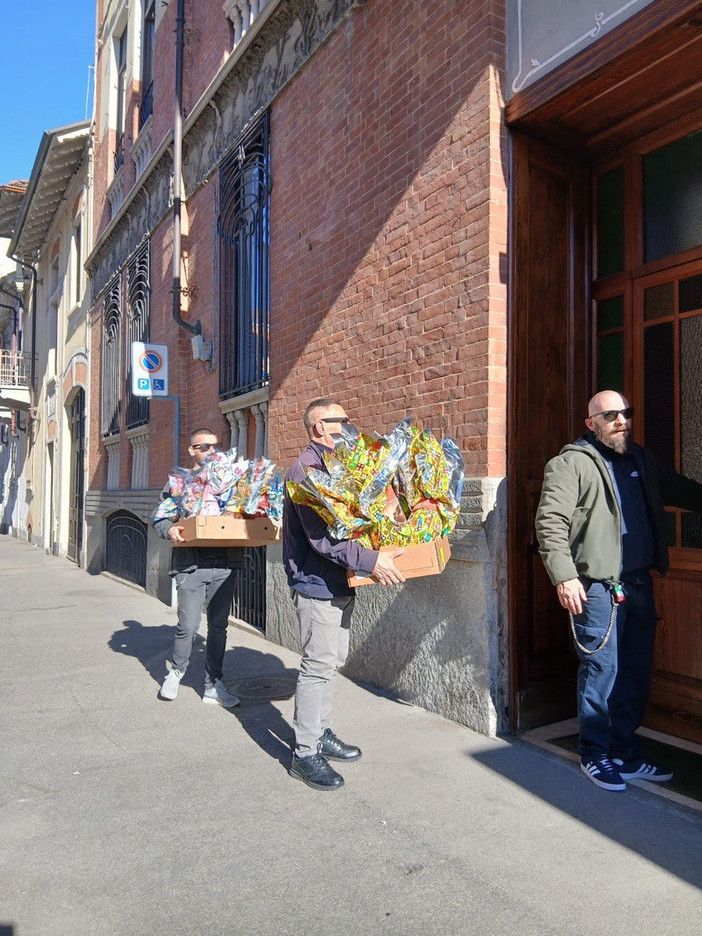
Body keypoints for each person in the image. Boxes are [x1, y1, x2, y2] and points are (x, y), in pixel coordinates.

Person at [535, 390, 702, 791]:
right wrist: (564, 577)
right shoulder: (571, 464)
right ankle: (594, 754)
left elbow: (681, 490)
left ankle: (624, 753)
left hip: (639, 584)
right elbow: (550, 522)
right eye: (610, 415)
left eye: (625, 413)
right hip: (598, 590)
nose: (621, 421)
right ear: (591, 423)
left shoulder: (641, 460)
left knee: (633, 673)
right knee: (602, 672)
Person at [283, 398, 406, 791]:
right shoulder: (305, 471)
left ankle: (320, 732)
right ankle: (304, 754)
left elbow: (351, 525)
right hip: (317, 583)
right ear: (320, 427)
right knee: (317, 666)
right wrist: (373, 560)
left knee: (332, 661)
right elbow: (323, 541)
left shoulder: (339, 468)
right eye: (343, 422)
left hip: (341, 581)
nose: (350, 428)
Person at [152, 427, 243, 708]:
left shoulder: (230, 482)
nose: (211, 452)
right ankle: (176, 672)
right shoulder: (180, 482)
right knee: (188, 625)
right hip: (191, 565)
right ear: (191, 450)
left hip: (225, 563)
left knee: (218, 626)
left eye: (215, 447)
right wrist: (170, 531)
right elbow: (160, 519)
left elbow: (248, 512)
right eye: (204, 447)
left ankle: (212, 685)